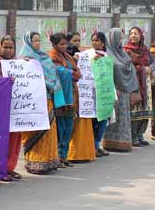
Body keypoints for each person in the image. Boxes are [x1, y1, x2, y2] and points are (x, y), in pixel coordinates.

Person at [18, 32, 61, 174]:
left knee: (49, 129)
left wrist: (50, 84)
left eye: (38, 41)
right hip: (34, 100)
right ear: (28, 42)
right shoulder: (24, 59)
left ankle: (49, 160)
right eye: (34, 41)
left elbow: (53, 75)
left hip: (48, 97)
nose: (37, 43)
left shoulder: (44, 57)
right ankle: (35, 161)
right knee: (35, 130)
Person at [102, 28, 139, 152]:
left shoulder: (123, 53)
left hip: (124, 91)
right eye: (119, 38)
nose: (120, 41)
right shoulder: (106, 53)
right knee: (113, 117)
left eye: (122, 38)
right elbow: (107, 72)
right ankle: (110, 142)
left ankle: (123, 142)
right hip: (113, 90)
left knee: (123, 117)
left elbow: (130, 67)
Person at [0, 35, 24, 180]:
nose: (8, 50)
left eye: (11, 47)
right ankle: (1, 170)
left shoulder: (18, 64)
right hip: (0, 107)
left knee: (15, 138)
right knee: (3, 139)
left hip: (17, 106)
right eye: (5, 47)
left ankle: (10, 167)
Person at [48, 32, 79, 167]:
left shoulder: (68, 56)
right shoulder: (51, 57)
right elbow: (56, 71)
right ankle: (57, 156)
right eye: (61, 44)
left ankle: (64, 156)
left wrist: (71, 72)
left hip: (71, 96)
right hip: (59, 96)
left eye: (66, 43)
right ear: (54, 45)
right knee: (59, 128)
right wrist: (70, 72)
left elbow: (78, 73)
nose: (64, 46)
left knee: (68, 127)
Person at [67, 32, 97, 162]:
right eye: (74, 40)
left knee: (84, 123)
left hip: (85, 97)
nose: (77, 43)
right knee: (74, 125)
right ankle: (73, 154)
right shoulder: (67, 56)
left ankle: (85, 152)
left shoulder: (83, 55)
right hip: (74, 94)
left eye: (79, 40)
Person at [123, 27, 154, 146]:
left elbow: (152, 61)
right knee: (135, 108)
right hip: (133, 82)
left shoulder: (145, 50)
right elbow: (125, 65)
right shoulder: (126, 50)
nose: (133, 36)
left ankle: (141, 134)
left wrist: (150, 68)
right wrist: (140, 69)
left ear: (141, 35)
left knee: (145, 108)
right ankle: (133, 136)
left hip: (145, 82)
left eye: (136, 33)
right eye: (131, 34)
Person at [86, 31, 113, 156]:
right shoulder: (88, 55)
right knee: (93, 122)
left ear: (103, 43)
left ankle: (97, 144)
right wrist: (91, 61)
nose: (95, 42)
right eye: (93, 40)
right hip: (91, 93)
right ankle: (92, 146)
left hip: (104, 94)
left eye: (97, 40)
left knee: (103, 120)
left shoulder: (106, 57)